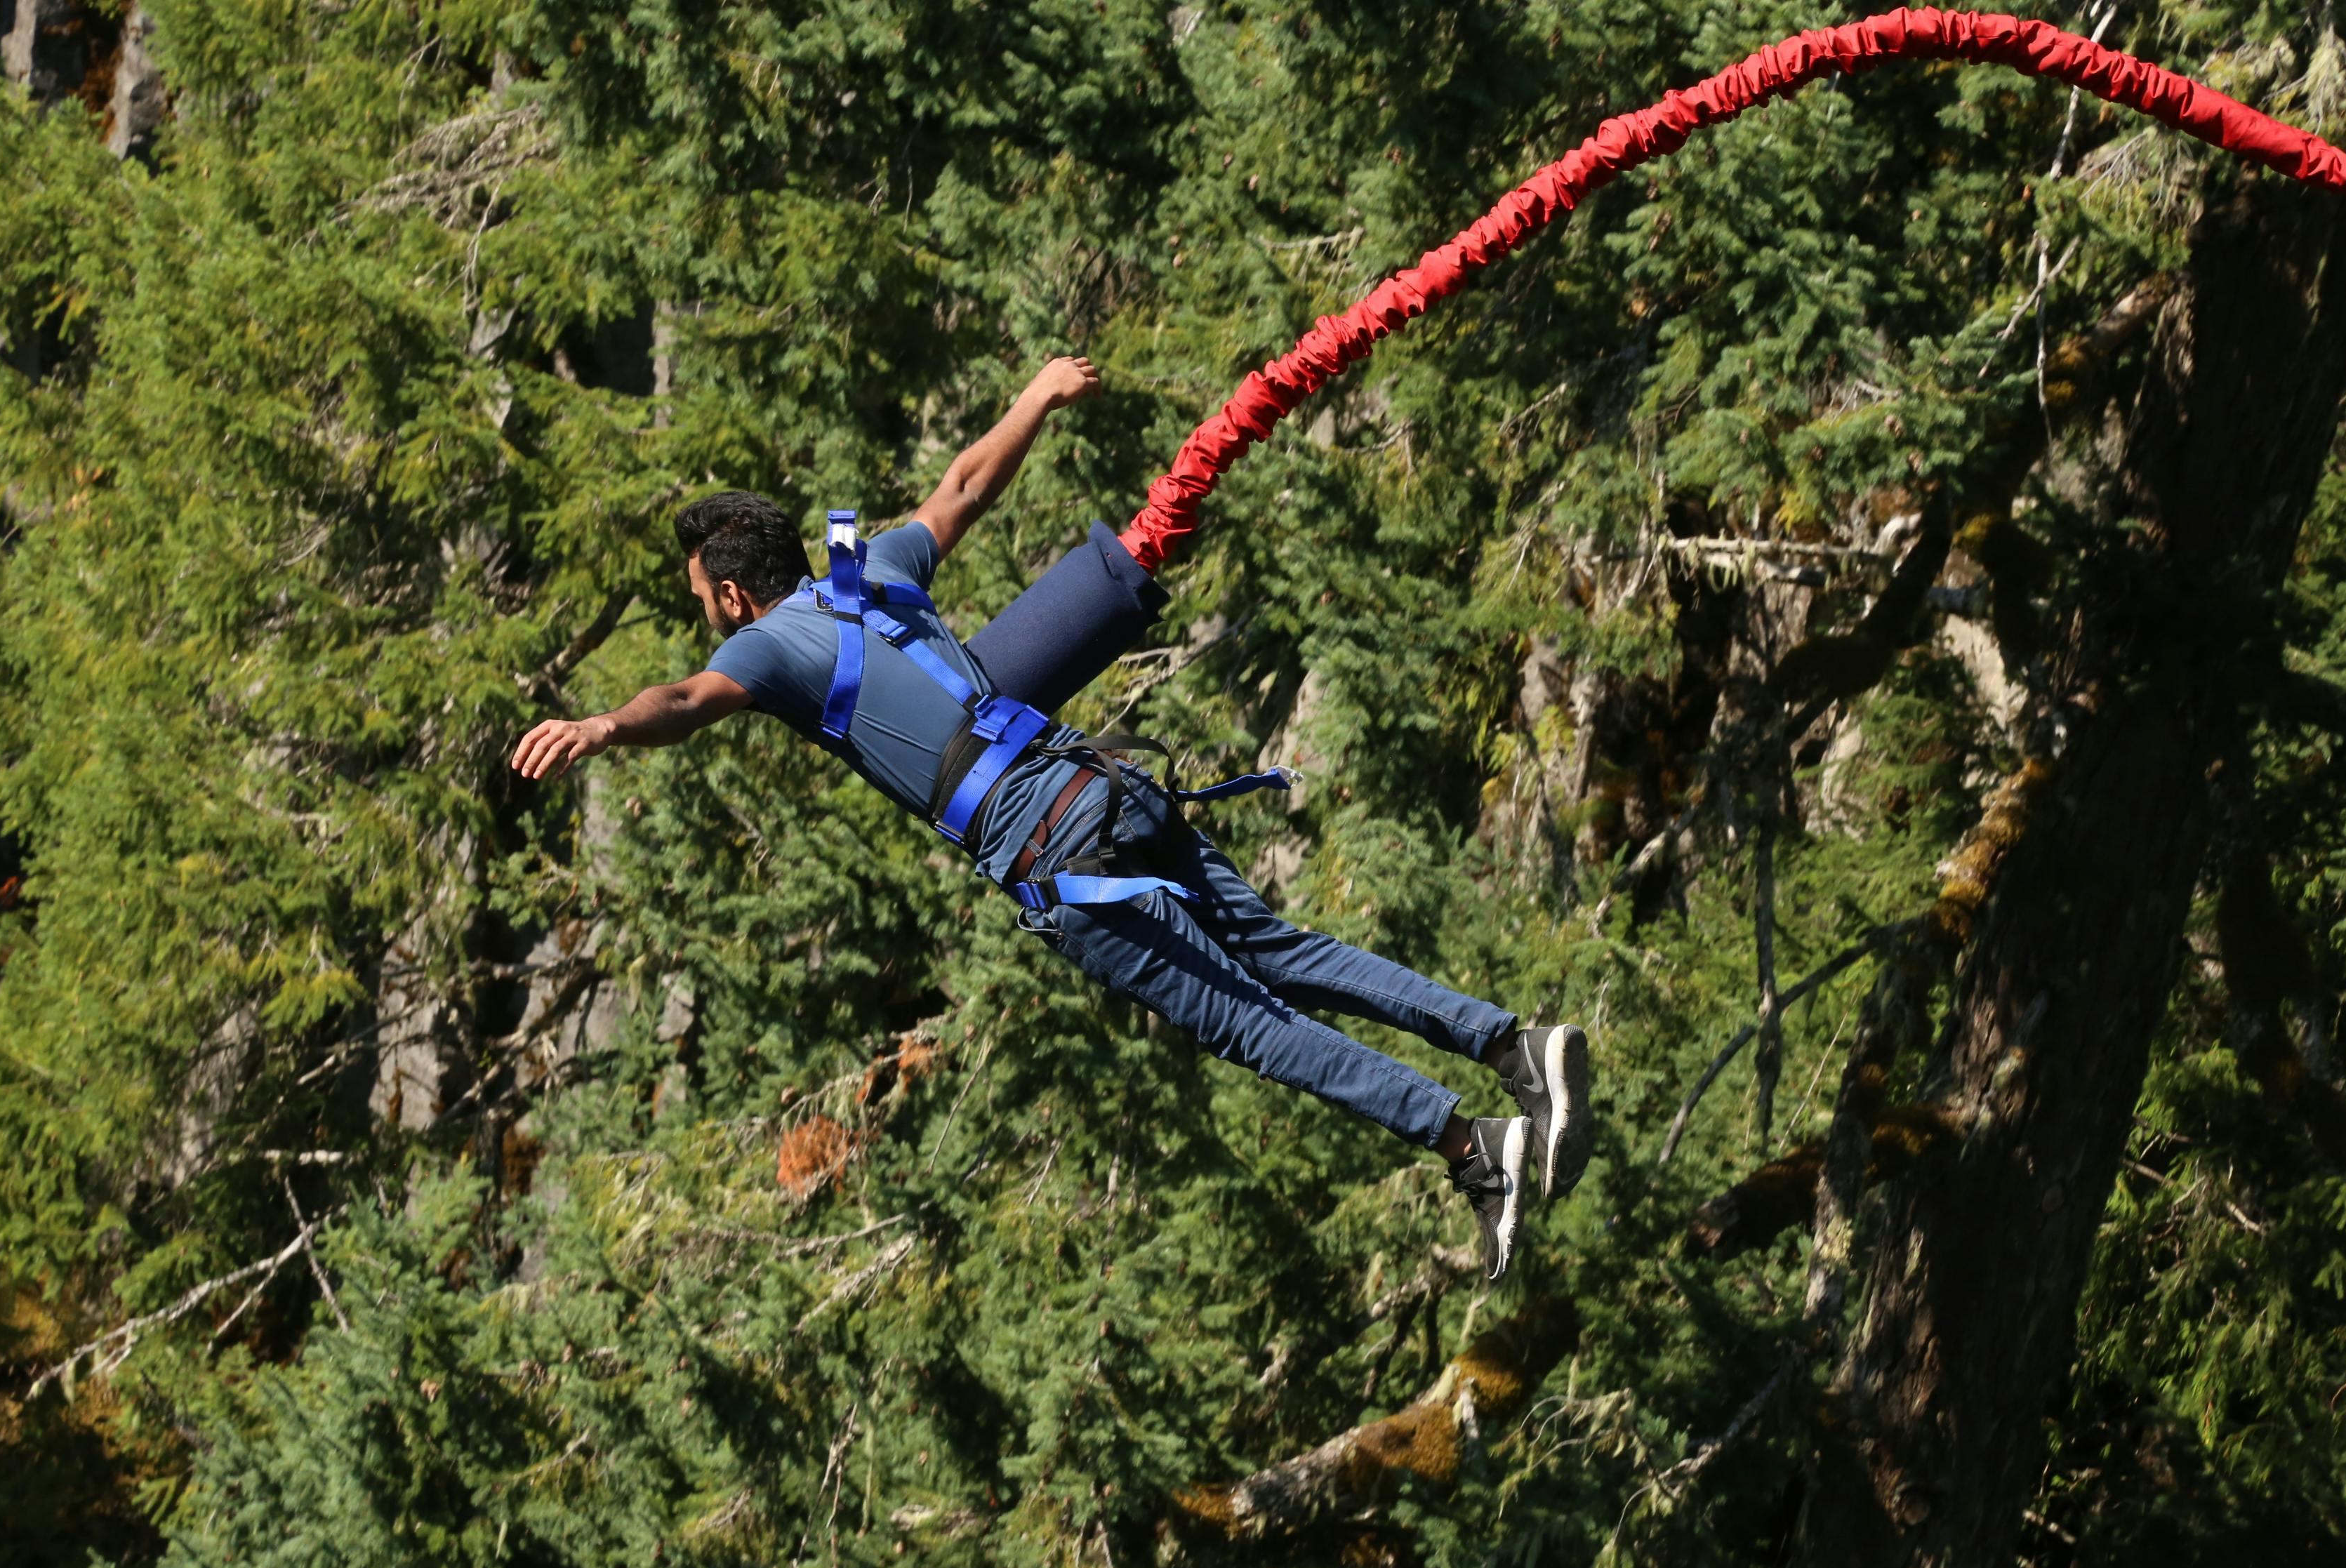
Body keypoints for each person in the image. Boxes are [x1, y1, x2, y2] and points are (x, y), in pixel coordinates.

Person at [509, 357, 1589, 1277]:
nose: (706, 618)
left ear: (734, 597)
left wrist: (607, 725)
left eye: (702, 599)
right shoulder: (869, 571)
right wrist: (1034, 398)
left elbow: (687, 702)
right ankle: (1511, 1045)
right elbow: (965, 488)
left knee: (1250, 1023)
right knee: (1281, 951)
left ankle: (1470, 1145)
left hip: (1048, 846)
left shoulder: (763, 647)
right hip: (1100, 781)